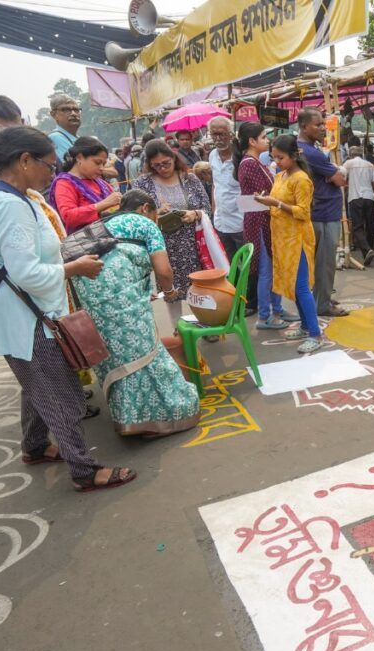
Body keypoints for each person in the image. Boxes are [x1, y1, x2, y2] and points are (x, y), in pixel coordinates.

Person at [0, 125, 136, 492]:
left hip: (22, 315)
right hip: (29, 317)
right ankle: (84, 470)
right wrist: (75, 267)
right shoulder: (9, 205)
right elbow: (26, 272)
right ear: (24, 160)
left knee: (36, 385)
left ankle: (34, 445)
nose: (53, 172)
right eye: (49, 164)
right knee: (63, 395)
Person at [70, 190, 200, 437]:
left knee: (119, 354)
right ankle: (162, 416)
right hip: (119, 296)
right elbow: (163, 270)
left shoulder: (107, 223)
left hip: (89, 294)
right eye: (155, 216)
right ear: (144, 209)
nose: (156, 223)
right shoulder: (144, 223)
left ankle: (127, 419)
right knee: (143, 352)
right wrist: (170, 291)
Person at [252, 135, 323, 354]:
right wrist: (266, 201)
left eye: (280, 157)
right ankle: (304, 326)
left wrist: (276, 203)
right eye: (274, 158)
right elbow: (278, 203)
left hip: (297, 239)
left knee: (301, 287)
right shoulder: (281, 175)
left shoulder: (301, 179)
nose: (277, 162)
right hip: (282, 238)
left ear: (294, 156)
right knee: (293, 286)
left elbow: (304, 212)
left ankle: (315, 334)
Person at [133, 139, 210, 330]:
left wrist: (195, 214)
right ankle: (179, 330)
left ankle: (205, 324)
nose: (162, 169)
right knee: (170, 288)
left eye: (166, 163)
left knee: (197, 287)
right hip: (162, 245)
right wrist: (156, 213)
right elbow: (134, 216)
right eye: (156, 166)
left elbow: (206, 208)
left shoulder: (190, 179)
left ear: (174, 158)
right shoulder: (142, 183)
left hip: (192, 244)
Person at [233, 123, 294, 331]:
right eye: (263, 137)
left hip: (265, 220)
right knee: (266, 270)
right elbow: (270, 191)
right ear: (252, 141)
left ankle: (276, 309)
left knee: (272, 268)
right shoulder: (249, 163)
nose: (267, 140)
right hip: (259, 221)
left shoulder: (255, 162)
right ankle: (265, 315)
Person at [297, 107, 348, 317]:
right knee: (325, 262)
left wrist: (333, 175)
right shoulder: (310, 152)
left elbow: (335, 178)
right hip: (324, 213)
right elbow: (340, 180)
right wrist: (334, 175)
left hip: (320, 211)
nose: (322, 129)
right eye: (317, 125)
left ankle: (321, 297)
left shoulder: (305, 149)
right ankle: (322, 304)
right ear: (303, 126)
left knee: (319, 261)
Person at [208, 117, 254, 313]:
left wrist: (249, 215)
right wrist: (213, 209)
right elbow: (216, 186)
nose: (218, 138)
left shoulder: (241, 157)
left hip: (242, 221)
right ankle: (235, 299)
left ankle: (251, 302)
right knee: (228, 264)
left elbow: (251, 191)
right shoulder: (211, 156)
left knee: (248, 266)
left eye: (222, 133)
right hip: (221, 221)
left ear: (230, 134)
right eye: (214, 134)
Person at [47, 136, 123, 234]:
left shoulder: (99, 182)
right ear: (79, 158)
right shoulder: (65, 184)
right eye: (97, 162)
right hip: (86, 243)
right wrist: (104, 204)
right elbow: (68, 216)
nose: (101, 168)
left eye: (103, 164)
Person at [342, 146, 374, 266]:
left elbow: (341, 178)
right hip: (369, 197)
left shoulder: (348, 163)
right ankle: (368, 250)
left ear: (350, 155)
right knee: (370, 225)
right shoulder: (369, 164)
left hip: (355, 198)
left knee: (357, 226)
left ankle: (367, 249)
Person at [46, 93, 81, 161]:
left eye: (76, 110)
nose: (73, 113)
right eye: (66, 110)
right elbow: (70, 167)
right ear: (54, 114)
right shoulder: (56, 138)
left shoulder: (78, 139)